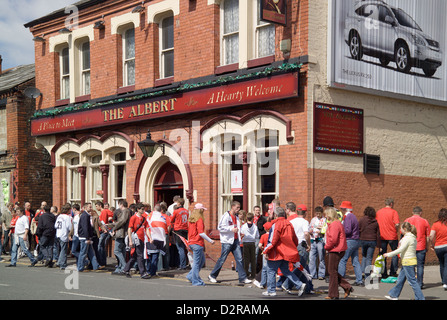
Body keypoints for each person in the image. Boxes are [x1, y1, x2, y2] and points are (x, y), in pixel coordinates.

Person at [262, 207, 306, 297]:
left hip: (276, 252)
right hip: (286, 252)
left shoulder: (276, 224)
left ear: (276, 215)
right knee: (286, 271)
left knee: (271, 271)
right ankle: (299, 284)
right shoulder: (289, 224)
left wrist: (265, 250)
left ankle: (271, 290)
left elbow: (272, 240)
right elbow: (295, 239)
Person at [208, 201, 251, 285]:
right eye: (237, 208)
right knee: (222, 259)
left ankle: (242, 278)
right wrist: (231, 229)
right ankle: (212, 276)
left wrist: (240, 234)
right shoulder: (226, 216)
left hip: (235, 241)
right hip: (227, 241)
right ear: (232, 207)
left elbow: (237, 228)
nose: (238, 210)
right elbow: (220, 227)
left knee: (239, 259)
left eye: (239, 208)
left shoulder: (237, 217)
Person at [384, 222, 425, 300]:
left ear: (405, 229)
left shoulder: (407, 238)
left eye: (401, 228)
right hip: (408, 261)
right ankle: (394, 295)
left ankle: (420, 298)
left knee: (412, 282)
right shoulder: (412, 237)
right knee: (400, 280)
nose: (400, 230)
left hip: (407, 262)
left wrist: (388, 254)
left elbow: (400, 249)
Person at [324, 207, 353, 299]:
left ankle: (333, 294)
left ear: (329, 215)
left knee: (332, 272)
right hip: (337, 249)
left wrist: (326, 247)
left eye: (326, 214)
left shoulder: (334, 224)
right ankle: (346, 287)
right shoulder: (336, 223)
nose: (325, 216)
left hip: (335, 250)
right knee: (333, 271)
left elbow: (333, 240)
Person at [187, 203, 215, 286]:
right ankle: (195, 281)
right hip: (197, 243)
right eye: (203, 209)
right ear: (200, 210)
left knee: (201, 261)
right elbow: (201, 233)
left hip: (192, 242)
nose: (203, 211)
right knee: (197, 263)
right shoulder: (199, 219)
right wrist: (210, 240)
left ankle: (190, 276)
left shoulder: (192, 219)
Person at [337, 201, 363, 286]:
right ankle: (359, 280)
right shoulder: (353, 216)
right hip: (355, 240)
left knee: (342, 260)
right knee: (355, 261)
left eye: (342, 208)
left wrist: (340, 231)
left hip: (349, 240)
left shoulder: (348, 217)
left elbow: (347, 230)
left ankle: (340, 280)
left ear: (344, 209)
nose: (341, 209)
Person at [404, 206, 430, 289]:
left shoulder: (407, 220)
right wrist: (427, 246)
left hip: (410, 246)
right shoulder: (425, 221)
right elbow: (428, 236)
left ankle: (412, 282)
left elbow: (403, 234)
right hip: (421, 246)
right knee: (420, 266)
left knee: (411, 265)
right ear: (421, 212)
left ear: (412, 212)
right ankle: (419, 283)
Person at [123, 203, 150, 279]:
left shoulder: (144, 218)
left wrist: (150, 238)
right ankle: (142, 273)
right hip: (136, 239)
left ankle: (126, 269)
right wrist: (130, 241)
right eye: (142, 209)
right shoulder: (133, 218)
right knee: (140, 255)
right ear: (138, 209)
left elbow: (147, 228)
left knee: (135, 256)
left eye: (143, 209)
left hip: (142, 239)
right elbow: (129, 229)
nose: (143, 210)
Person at [376, 197, 400, 278]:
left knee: (383, 254)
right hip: (392, 236)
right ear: (391, 204)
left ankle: (384, 273)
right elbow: (397, 224)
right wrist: (396, 230)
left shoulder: (379, 212)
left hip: (382, 236)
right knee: (395, 253)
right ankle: (393, 272)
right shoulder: (394, 212)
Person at [146, 203, 168, 277]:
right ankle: (153, 273)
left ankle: (148, 271)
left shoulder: (149, 215)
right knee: (155, 257)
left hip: (149, 237)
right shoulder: (163, 217)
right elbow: (165, 228)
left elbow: (146, 226)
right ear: (160, 210)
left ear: (154, 209)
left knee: (149, 256)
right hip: (158, 239)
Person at [359, 206, 381, 278]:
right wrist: (379, 245)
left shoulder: (362, 220)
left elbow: (358, 230)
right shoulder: (375, 222)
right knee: (369, 258)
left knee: (364, 256)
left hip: (363, 240)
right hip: (372, 241)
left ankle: (362, 271)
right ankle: (367, 275)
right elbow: (378, 234)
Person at [77, 203, 99, 272]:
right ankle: (80, 267)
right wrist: (87, 238)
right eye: (90, 207)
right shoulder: (85, 215)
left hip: (87, 237)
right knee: (83, 253)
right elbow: (85, 227)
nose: (91, 208)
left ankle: (96, 266)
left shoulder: (87, 215)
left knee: (91, 252)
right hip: (84, 237)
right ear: (85, 207)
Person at [429, 208, 447, 290]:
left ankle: (443, 281)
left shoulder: (435, 224)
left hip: (438, 247)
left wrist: (432, 245)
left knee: (441, 264)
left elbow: (431, 236)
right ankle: (445, 282)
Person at [111, 200, 130, 275]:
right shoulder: (126, 211)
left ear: (121, 204)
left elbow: (122, 221)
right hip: (123, 233)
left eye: (119, 204)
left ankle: (124, 267)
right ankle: (120, 267)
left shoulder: (125, 211)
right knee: (122, 251)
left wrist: (114, 227)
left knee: (117, 251)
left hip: (121, 233)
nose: (118, 206)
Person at [171, 198, 189, 270]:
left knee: (180, 248)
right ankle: (185, 263)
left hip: (178, 230)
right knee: (184, 247)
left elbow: (171, 219)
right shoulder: (187, 211)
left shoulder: (176, 211)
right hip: (185, 230)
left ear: (179, 203)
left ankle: (182, 265)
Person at [309, 206, 326, 280]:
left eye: (319, 214)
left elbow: (326, 229)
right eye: (316, 214)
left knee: (321, 257)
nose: (318, 215)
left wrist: (321, 231)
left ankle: (321, 274)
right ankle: (312, 274)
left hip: (320, 239)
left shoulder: (324, 220)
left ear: (322, 213)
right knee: (312, 258)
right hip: (313, 239)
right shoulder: (313, 219)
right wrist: (310, 230)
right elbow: (310, 227)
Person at [241, 212, 259, 280]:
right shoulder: (255, 226)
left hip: (245, 242)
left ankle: (246, 273)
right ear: (253, 218)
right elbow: (257, 236)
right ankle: (253, 274)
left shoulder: (244, 226)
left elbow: (241, 233)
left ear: (246, 218)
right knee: (253, 259)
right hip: (252, 243)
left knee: (246, 259)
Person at [54, 204, 72, 270]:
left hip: (58, 234)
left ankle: (59, 262)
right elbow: (69, 227)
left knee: (60, 249)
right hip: (64, 234)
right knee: (63, 250)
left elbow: (55, 225)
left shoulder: (59, 216)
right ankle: (62, 264)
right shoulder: (67, 217)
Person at [96, 201, 113, 268]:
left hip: (103, 231)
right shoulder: (103, 212)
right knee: (102, 247)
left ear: (100, 206)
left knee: (100, 247)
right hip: (103, 231)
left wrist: (103, 229)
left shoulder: (103, 212)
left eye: (97, 206)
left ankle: (101, 262)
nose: (96, 208)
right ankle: (103, 262)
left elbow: (103, 222)